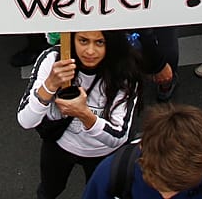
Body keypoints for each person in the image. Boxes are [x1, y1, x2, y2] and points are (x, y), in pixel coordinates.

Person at [17, 31, 143, 199]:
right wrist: (49, 85)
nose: (90, 51)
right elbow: (25, 120)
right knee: (49, 190)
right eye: (83, 41)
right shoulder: (53, 59)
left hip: (102, 154)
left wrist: (84, 114)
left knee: (98, 194)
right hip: (59, 145)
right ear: (71, 38)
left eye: (99, 42)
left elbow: (119, 137)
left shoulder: (125, 69)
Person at [79, 104, 202, 199]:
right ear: (142, 148)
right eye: (157, 183)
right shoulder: (111, 175)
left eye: (180, 188)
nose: (166, 197)